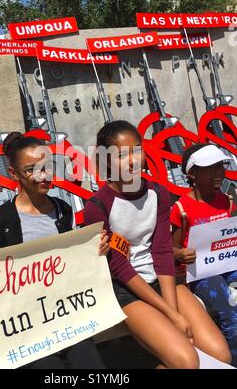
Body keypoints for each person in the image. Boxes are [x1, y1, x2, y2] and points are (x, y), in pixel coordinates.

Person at [0, 132, 109, 369]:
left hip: (69, 320)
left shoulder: (64, 211)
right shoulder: (1, 220)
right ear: (13, 174)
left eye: (47, 167)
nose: (42, 175)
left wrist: (97, 251)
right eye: (31, 169)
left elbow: (77, 265)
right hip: (27, 332)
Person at [84, 120, 231, 369]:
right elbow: (118, 267)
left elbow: (161, 250)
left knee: (221, 356)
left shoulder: (158, 193)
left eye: (137, 150)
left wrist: (172, 310)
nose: (133, 160)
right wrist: (172, 315)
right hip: (126, 289)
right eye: (122, 155)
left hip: (163, 280)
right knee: (186, 361)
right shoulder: (97, 206)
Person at [170, 143, 237, 366]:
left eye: (221, 166)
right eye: (211, 168)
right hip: (201, 275)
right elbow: (171, 249)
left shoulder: (227, 201)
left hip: (228, 266)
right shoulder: (181, 208)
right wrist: (181, 254)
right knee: (230, 311)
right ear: (193, 173)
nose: (219, 172)